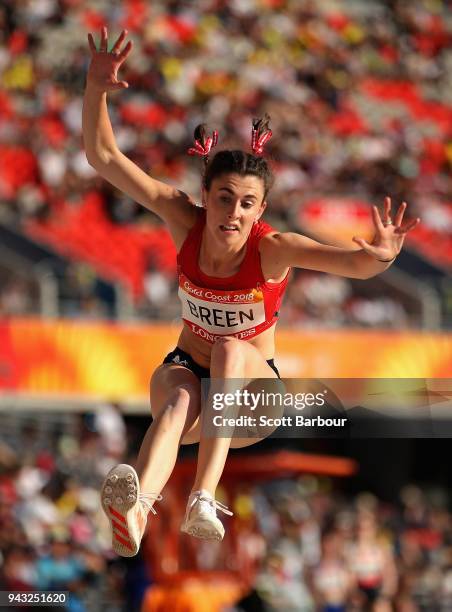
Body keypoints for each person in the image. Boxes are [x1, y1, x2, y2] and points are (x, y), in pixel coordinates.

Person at [83, 28, 420, 557]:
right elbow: (104, 156)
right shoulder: (182, 220)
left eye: (246, 204)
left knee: (232, 348)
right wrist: (96, 89)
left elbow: (354, 265)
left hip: (254, 399)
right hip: (191, 379)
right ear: (205, 198)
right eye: (223, 199)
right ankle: (137, 510)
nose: (232, 214)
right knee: (173, 401)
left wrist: (382, 254)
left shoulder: (274, 249)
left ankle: (204, 496)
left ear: (260, 210)